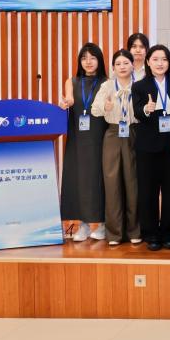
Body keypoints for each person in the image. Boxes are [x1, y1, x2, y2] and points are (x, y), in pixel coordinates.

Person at [131, 44, 170, 250]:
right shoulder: (139, 86)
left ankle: (169, 232)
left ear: (169, 62)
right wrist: (146, 108)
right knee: (148, 192)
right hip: (147, 146)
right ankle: (151, 233)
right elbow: (137, 111)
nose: (160, 63)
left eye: (164, 59)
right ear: (148, 62)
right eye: (155, 59)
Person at [59, 43, 109, 242]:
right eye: (84, 58)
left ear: (99, 60)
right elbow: (69, 99)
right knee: (78, 179)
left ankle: (102, 223)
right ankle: (84, 224)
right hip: (77, 138)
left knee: (99, 179)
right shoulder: (72, 81)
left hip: (100, 136)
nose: (88, 62)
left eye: (92, 57)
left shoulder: (107, 82)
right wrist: (65, 103)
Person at [91, 49, 141, 245]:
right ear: (113, 67)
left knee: (133, 182)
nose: (122, 67)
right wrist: (106, 107)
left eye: (126, 63)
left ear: (132, 65)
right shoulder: (107, 86)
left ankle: (135, 231)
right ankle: (114, 233)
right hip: (113, 133)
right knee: (112, 183)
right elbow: (95, 110)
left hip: (134, 133)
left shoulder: (139, 84)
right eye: (118, 64)